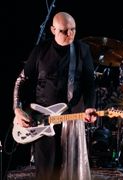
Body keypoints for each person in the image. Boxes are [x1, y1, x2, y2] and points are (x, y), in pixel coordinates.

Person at [13, 12, 97, 180]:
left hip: (72, 118)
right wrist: (17, 109)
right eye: (64, 31)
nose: (70, 34)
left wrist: (89, 106)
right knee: (46, 171)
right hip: (43, 119)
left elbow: (90, 83)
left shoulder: (82, 50)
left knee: (71, 171)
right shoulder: (40, 51)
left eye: (73, 30)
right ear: (52, 29)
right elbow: (21, 81)